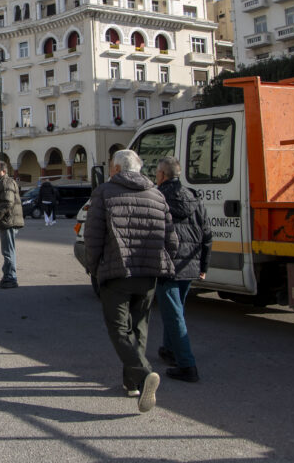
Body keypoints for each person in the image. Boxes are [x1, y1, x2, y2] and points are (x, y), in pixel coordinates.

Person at [84, 149, 177, 413]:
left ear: (115, 169)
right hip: (149, 272)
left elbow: (93, 236)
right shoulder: (157, 195)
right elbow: (171, 238)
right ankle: (132, 384)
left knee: (117, 328)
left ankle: (144, 373)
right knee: (140, 326)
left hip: (117, 271)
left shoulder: (104, 192)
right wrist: (163, 262)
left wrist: (94, 266)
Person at [154, 157, 212, 383]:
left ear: (162, 175)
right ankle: (170, 350)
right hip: (190, 264)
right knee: (175, 311)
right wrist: (204, 266)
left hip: (167, 265)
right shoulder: (194, 197)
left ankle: (187, 365)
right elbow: (207, 235)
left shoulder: (159, 198)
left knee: (174, 314)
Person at [0, 160, 24, 288]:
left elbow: (7, 202)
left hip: (8, 221)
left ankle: (10, 278)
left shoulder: (5, 182)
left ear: (3, 171)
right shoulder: (1, 182)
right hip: (8, 220)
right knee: (8, 250)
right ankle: (8, 276)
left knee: (8, 251)